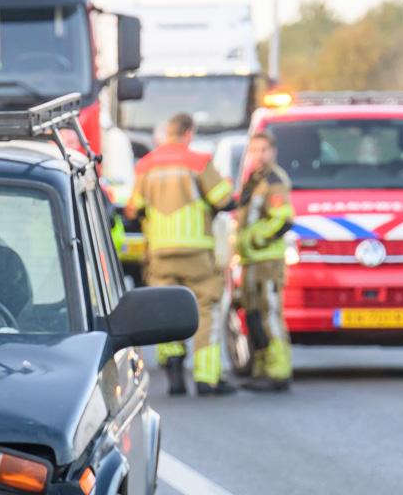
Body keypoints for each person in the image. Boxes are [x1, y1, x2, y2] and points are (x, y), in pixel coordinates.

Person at [126, 112, 236, 395]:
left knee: (167, 311)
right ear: (189, 133)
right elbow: (224, 200)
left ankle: (174, 373)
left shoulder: (146, 164)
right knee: (206, 310)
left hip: (160, 254)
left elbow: (133, 209)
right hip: (197, 252)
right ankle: (207, 378)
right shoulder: (198, 161)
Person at [234, 131, 294, 392]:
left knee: (269, 315)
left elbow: (284, 220)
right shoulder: (254, 181)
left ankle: (279, 371)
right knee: (254, 316)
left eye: (263, 150)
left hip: (267, 261)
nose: (258, 156)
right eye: (254, 151)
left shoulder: (274, 181)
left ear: (273, 152)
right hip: (252, 261)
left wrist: (256, 240)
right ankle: (262, 370)